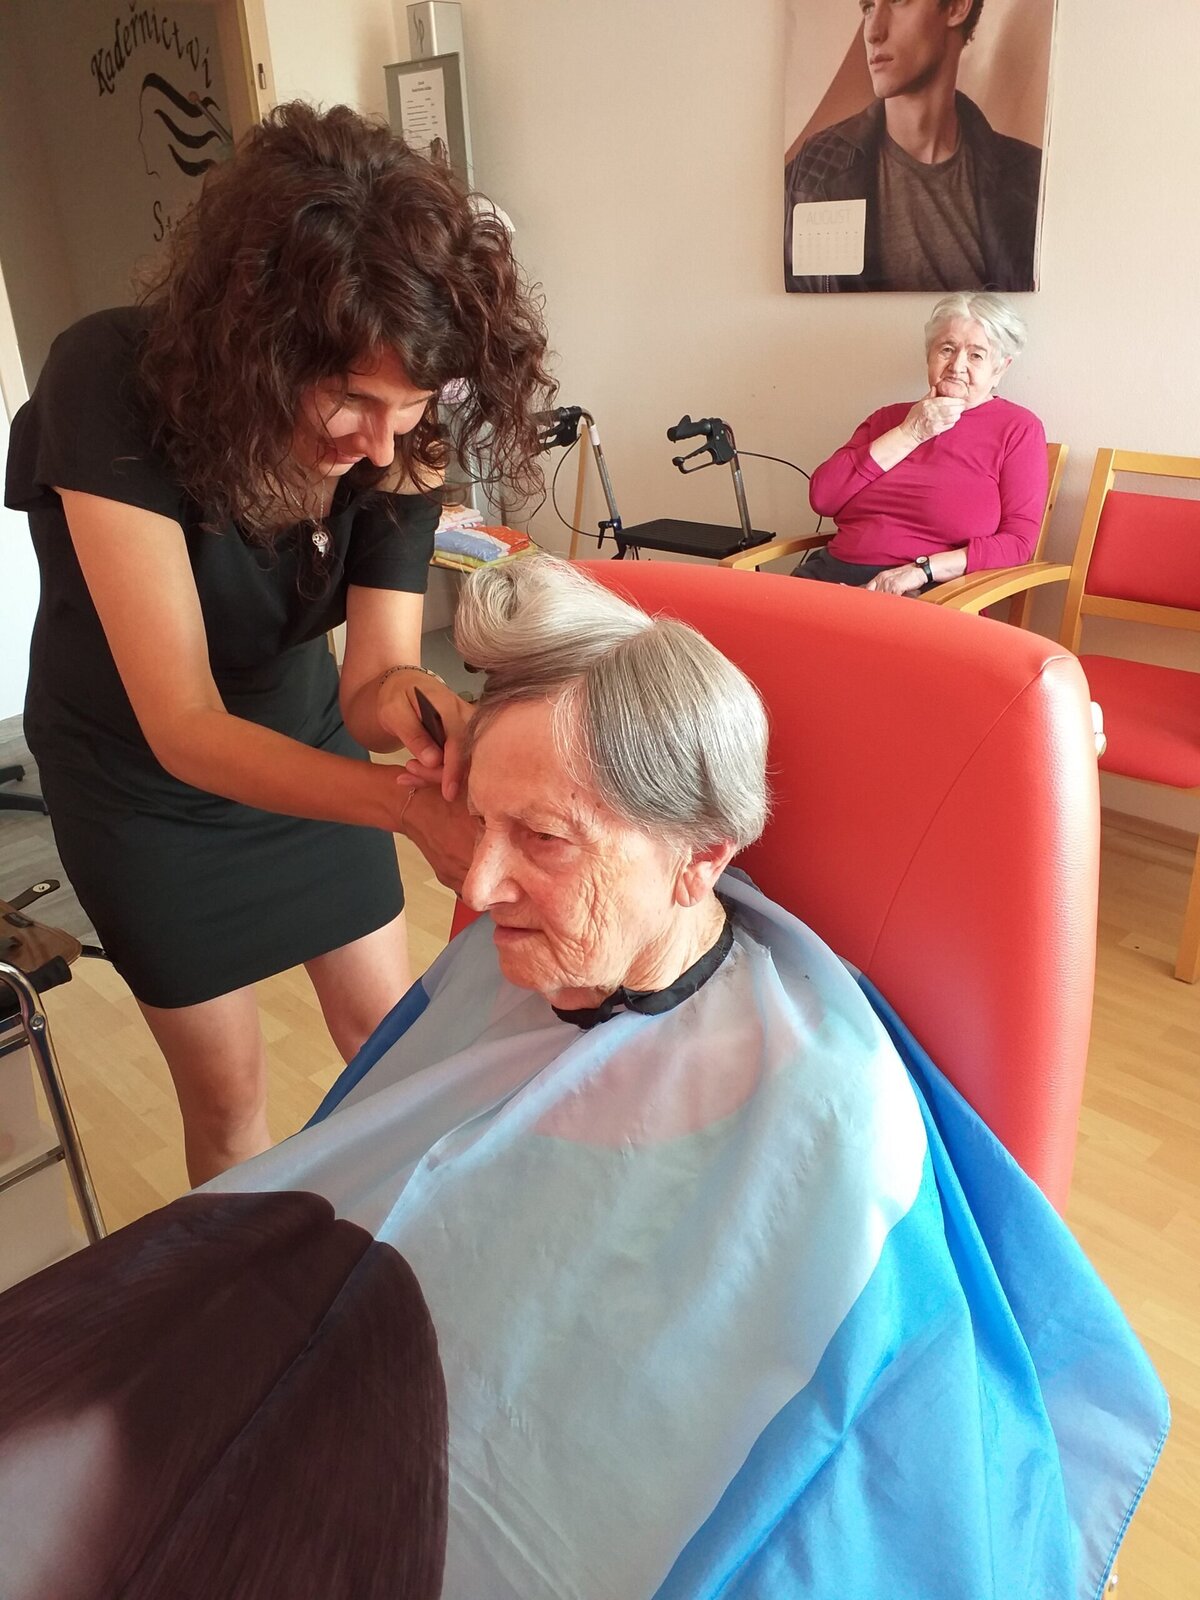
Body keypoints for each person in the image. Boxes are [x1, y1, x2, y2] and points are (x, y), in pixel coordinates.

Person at [0, 557, 1166, 1599]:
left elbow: (867, 1460)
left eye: (545, 839)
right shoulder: (515, 966)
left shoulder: (827, 1104)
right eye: (480, 822)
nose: (476, 886)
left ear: (701, 857)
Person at [3, 101, 552, 1184]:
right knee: (229, 1098)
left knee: (390, 1042)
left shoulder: (401, 439)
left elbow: (374, 680)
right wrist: (405, 807)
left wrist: (432, 714)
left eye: (410, 407)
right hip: (140, 782)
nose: (380, 446)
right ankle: (246, 1285)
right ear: (259, 342)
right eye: (352, 400)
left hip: (300, 732)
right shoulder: (108, 382)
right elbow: (184, 723)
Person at [792, 291, 1046, 593]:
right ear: (929, 355)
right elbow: (823, 498)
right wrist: (911, 432)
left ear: (1000, 368)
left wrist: (922, 570)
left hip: (927, 591)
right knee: (751, 611)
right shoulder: (888, 419)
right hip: (832, 579)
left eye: (976, 355)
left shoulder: (1017, 428)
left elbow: (1018, 542)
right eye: (947, 349)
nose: (956, 365)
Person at [784, 0, 1043, 293]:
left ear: (957, 7)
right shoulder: (812, 173)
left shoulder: (1031, 179)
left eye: (898, 1)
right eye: (868, 7)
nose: (872, 32)